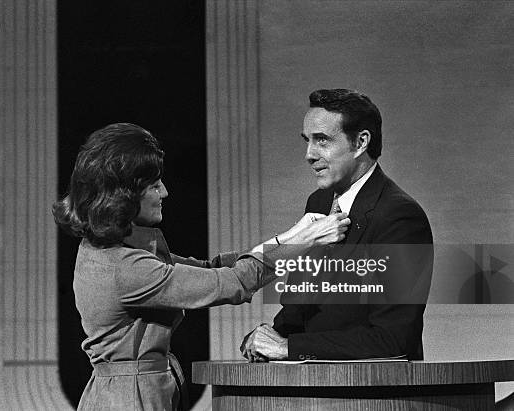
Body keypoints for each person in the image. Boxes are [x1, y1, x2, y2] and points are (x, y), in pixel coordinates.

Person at [52, 123, 350, 410]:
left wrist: (291, 236)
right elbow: (231, 283)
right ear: (124, 195)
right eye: (154, 185)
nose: (165, 192)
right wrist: (301, 242)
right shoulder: (125, 268)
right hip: (129, 399)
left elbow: (211, 269)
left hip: (136, 393)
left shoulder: (114, 250)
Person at [241, 89, 433, 362]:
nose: (309, 154)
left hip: (375, 394)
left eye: (322, 141)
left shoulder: (400, 217)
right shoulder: (318, 203)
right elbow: (301, 304)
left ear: (361, 142)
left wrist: (287, 347)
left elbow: (394, 339)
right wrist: (268, 335)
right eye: (307, 141)